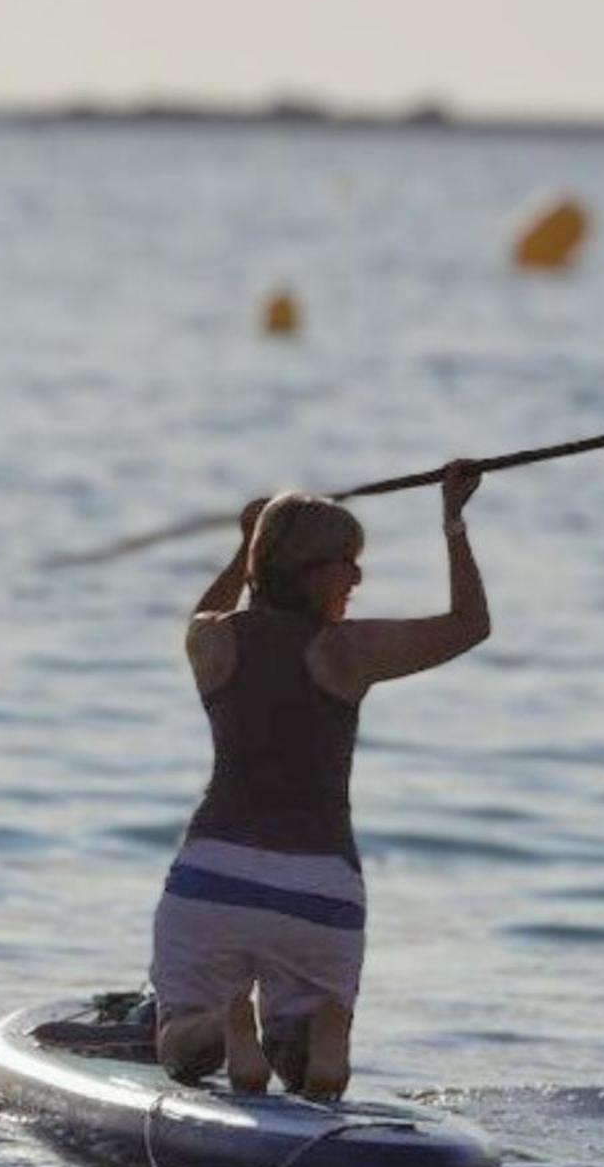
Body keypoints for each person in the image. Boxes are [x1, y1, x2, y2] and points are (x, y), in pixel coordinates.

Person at [149, 461, 489, 1100]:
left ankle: (222, 1027)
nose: (358, 576)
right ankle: (316, 1038)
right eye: (346, 563)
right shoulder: (347, 651)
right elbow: (469, 626)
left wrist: (244, 543)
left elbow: (205, 614)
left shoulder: (214, 644)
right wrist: (453, 521)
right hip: (320, 891)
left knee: (176, 1046)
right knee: (310, 1077)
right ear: (309, 574)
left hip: (214, 877)